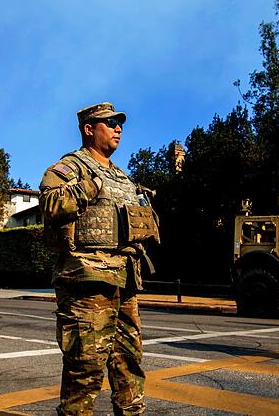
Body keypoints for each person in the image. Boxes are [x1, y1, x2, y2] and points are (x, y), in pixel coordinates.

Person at [40, 102, 158, 415]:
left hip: (125, 281)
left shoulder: (122, 177)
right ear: (89, 129)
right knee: (86, 366)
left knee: (129, 362)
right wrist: (88, 187)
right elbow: (50, 203)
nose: (119, 128)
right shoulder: (71, 167)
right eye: (110, 123)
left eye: (120, 123)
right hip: (87, 280)